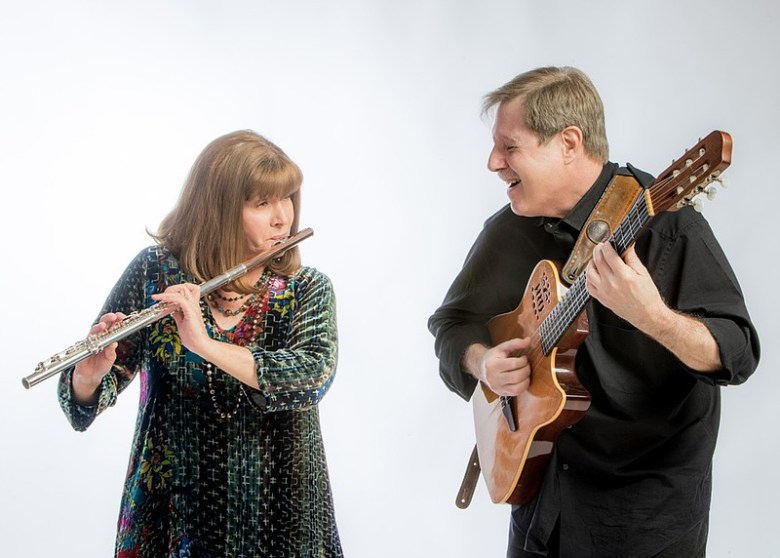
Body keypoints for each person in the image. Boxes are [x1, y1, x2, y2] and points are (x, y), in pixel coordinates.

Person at [428, 66, 760, 557]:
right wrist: (483, 362)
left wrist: (651, 316)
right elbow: (452, 324)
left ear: (568, 143)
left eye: (509, 147)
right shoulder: (511, 229)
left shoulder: (668, 228)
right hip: (541, 507)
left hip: (642, 521)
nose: (493, 162)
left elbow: (738, 353)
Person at [58, 130, 343, 557]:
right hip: (172, 519)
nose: (282, 218)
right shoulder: (156, 272)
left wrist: (204, 343)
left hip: (281, 520)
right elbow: (81, 406)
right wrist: (89, 374)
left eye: (287, 198)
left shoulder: (307, 288)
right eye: (262, 203)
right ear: (219, 209)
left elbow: (311, 377)